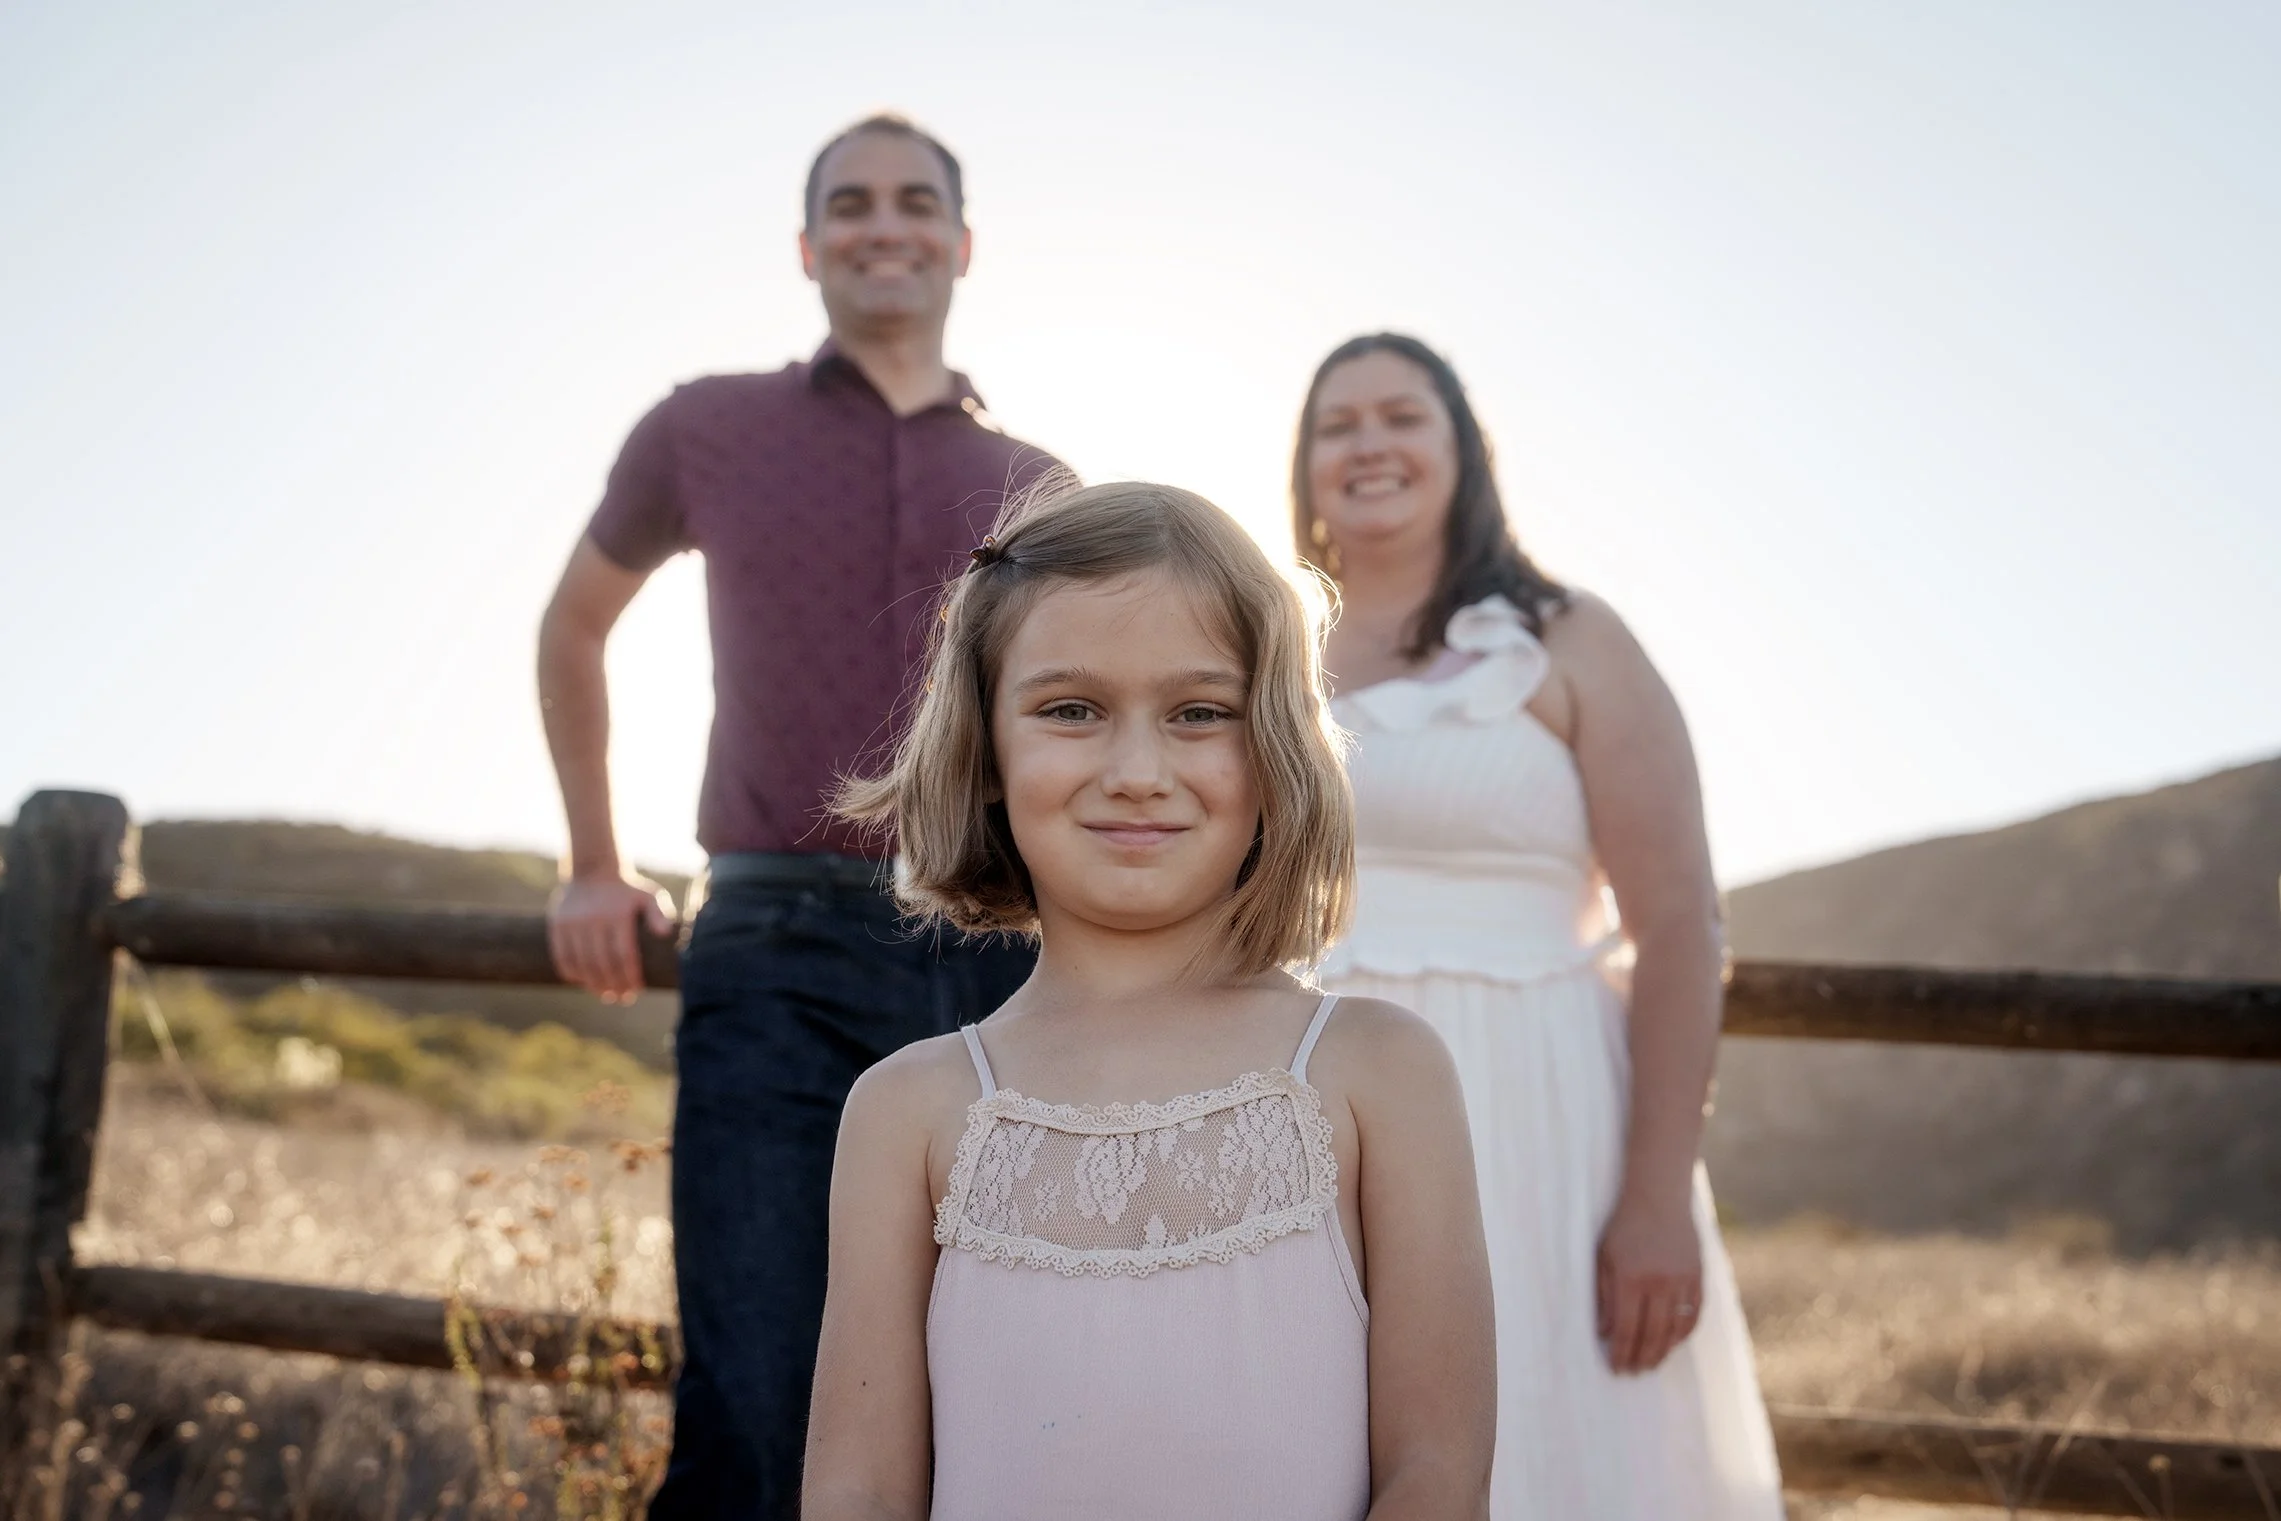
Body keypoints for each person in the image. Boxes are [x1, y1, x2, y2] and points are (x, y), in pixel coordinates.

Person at [535, 114, 1066, 1518]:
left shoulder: (1045, 489)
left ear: (962, 243)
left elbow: (1086, 715)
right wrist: (593, 863)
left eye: (913, 202)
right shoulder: (703, 427)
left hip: (1002, 964)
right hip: (773, 953)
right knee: (758, 1415)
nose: (880, 224)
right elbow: (575, 628)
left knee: (995, 1413)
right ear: (807, 246)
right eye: (849, 203)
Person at [802, 481, 1497, 1521]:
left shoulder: (1375, 1071)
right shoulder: (908, 1109)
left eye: (1198, 714)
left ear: (1272, 750)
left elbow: (1434, 1475)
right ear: (986, 749)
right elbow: (857, 1489)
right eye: (1071, 710)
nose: (1137, 771)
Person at [1294, 333, 1784, 1518]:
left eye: (1401, 416)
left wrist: (1655, 1195)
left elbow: (1676, 926)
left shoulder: (1572, 640)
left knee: (1560, 1445)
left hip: (1545, 1117)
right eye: (1336, 424)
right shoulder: (1270, 662)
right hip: (1320, 1119)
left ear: (1464, 447)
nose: (1369, 445)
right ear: (1302, 467)